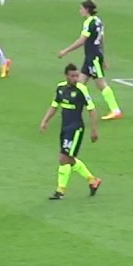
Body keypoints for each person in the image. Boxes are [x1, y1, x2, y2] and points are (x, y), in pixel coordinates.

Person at [38, 64, 102, 201]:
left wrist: (94, 130)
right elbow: (54, 106)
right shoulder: (60, 88)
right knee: (69, 159)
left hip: (76, 128)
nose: (75, 79)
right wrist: (45, 121)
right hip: (64, 128)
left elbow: (92, 110)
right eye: (72, 76)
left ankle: (60, 191)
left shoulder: (82, 89)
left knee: (63, 158)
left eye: (77, 76)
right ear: (66, 76)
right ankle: (93, 180)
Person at [56, 0, 123, 120]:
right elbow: (101, 40)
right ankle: (74, 110)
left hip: (93, 58)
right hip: (92, 57)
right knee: (80, 84)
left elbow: (82, 41)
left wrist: (66, 51)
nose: (80, 11)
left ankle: (115, 110)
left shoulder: (88, 22)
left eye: (81, 8)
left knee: (101, 84)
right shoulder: (98, 21)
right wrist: (102, 57)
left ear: (87, 9)